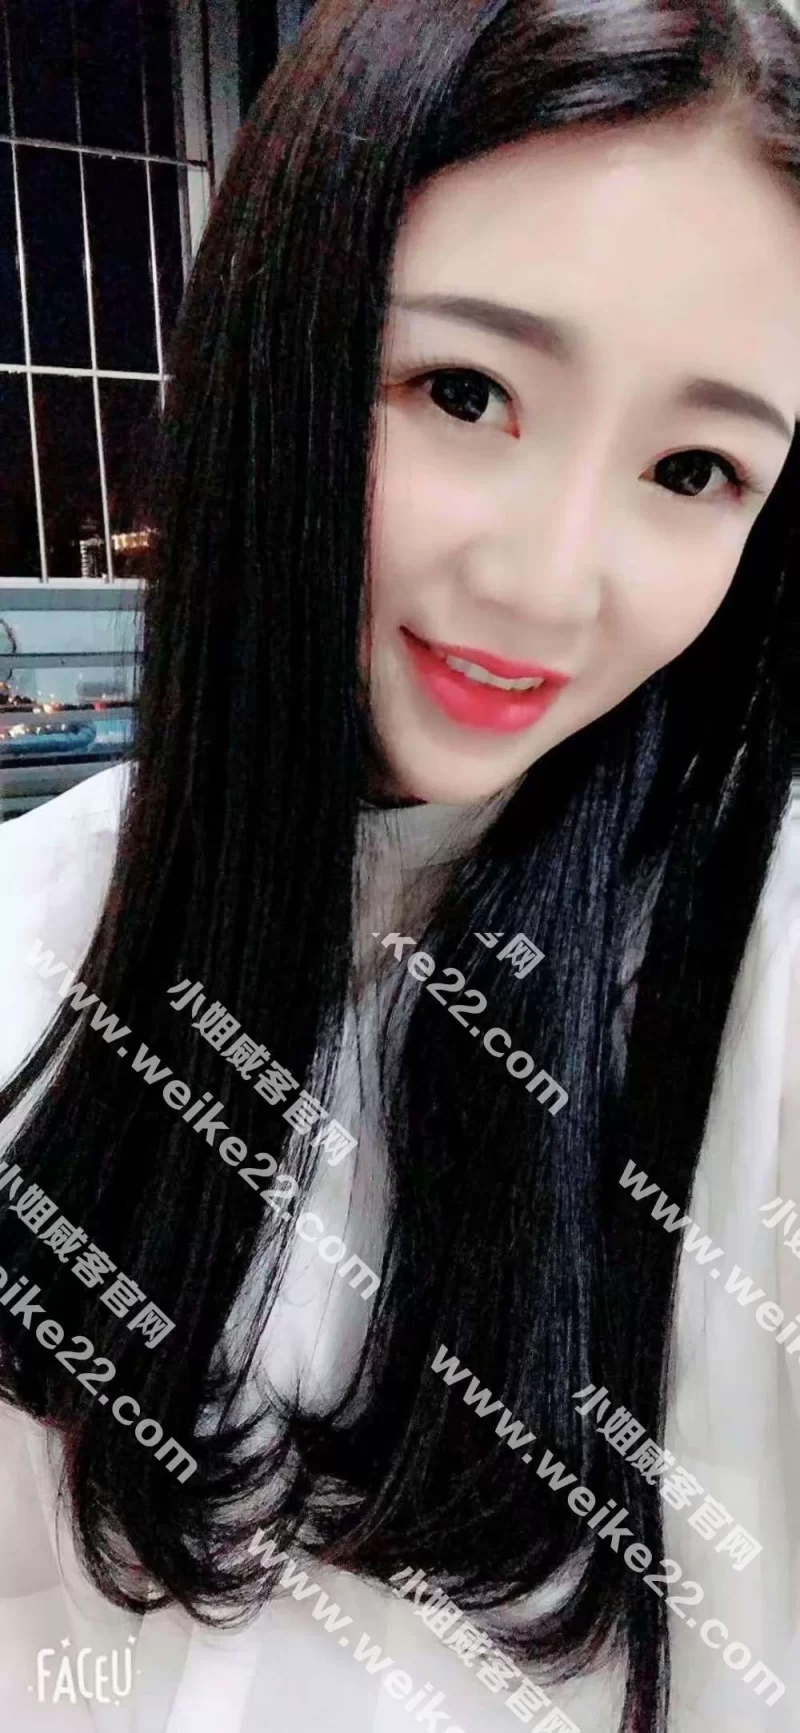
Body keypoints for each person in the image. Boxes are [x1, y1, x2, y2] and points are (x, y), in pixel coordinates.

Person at [0, 1, 799, 1729]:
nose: (548, 582)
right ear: (272, 351)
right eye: (463, 390)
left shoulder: (755, 962)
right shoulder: (32, 931)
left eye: (694, 467)